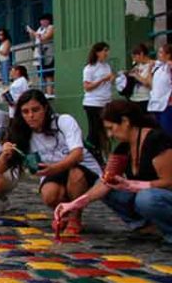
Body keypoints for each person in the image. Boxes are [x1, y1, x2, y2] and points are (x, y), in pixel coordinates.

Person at [56, 100, 172, 244]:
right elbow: (105, 181)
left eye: (111, 128)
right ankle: (145, 226)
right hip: (149, 195)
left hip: (162, 195)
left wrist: (132, 185)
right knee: (106, 184)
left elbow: (168, 182)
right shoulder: (124, 148)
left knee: (146, 198)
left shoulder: (156, 140)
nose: (110, 134)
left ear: (125, 121)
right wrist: (73, 204)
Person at [0, 89, 102, 235]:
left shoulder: (63, 121)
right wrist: (4, 154)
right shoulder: (22, 133)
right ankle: (64, 214)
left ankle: (74, 218)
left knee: (75, 175)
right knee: (49, 194)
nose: (31, 116)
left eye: (35, 110)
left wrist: (53, 169)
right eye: (25, 112)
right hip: (54, 171)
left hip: (81, 167)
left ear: (45, 108)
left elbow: (77, 155)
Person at [82, 42, 114, 157]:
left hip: (106, 101)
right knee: (94, 131)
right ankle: (89, 154)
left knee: (105, 131)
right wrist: (101, 80)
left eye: (107, 50)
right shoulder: (89, 68)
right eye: (104, 51)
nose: (106, 53)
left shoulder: (107, 66)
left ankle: (104, 154)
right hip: (93, 103)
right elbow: (87, 87)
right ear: (97, 53)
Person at [27, 13, 55, 95]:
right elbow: (35, 39)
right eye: (41, 20)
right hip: (39, 54)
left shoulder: (51, 27)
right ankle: (45, 92)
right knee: (42, 75)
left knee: (48, 75)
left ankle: (50, 93)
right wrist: (31, 34)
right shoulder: (40, 29)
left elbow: (44, 38)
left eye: (44, 20)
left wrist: (33, 32)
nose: (42, 22)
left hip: (48, 54)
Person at [148, 44, 172, 134]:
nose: (159, 54)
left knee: (167, 132)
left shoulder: (168, 67)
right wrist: (150, 69)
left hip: (166, 105)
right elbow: (152, 85)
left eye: (161, 52)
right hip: (155, 104)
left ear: (168, 55)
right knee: (158, 133)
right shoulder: (158, 68)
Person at [128, 43, 154, 113]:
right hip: (134, 98)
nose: (134, 60)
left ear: (141, 54)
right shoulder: (137, 66)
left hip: (145, 99)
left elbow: (149, 84)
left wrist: (136, 76)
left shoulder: (152, 65)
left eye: (134, 57)